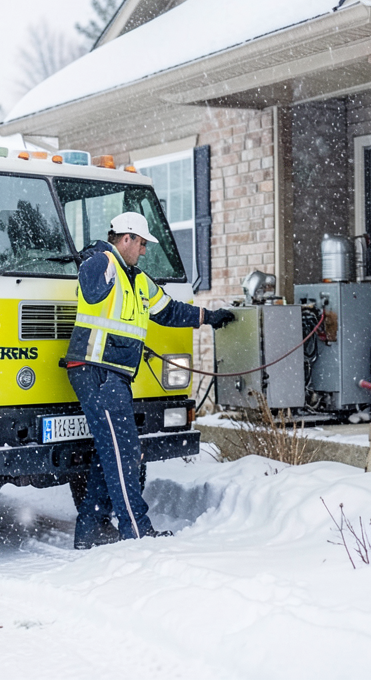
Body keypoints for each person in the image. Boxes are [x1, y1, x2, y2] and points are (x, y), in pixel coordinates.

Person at [65, 211, 234, 549]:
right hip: (95, 370)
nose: (144, 251)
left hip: (114, 375)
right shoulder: (101, 262)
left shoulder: (139, 280)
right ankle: (136, 530)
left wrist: (208, 317)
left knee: (110, 452)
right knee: (125, 452)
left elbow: (169, 311)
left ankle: (90, 529)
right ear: (125, 238)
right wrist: (101, 260)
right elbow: (92, 288)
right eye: (141, 243)